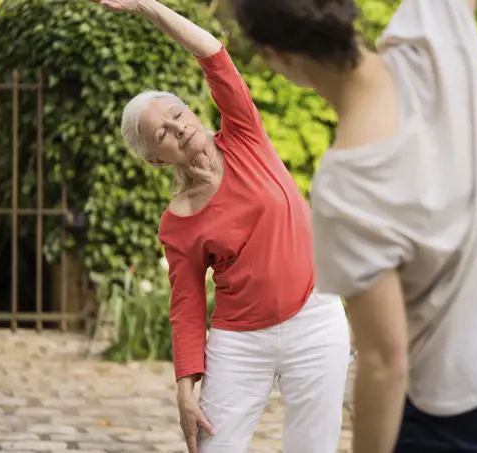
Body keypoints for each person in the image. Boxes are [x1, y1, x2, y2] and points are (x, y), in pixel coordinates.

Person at [231, 0, 477, 452]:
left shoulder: (345, 186)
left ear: (278, 56)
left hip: (475, 411)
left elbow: (384, 361)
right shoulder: (433, 35)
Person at [88, 1, 351, 453]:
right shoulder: (177, 222)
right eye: (162, 134)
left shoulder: (245, 135)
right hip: (239, 341)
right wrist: (185, 386)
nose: (177, 128)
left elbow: (214, 56)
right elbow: (186, 305)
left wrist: (148, 7)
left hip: (316, 319)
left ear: (191, 111)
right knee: (214, 448)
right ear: (156, 158)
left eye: (177, 114)